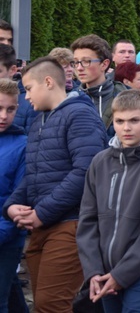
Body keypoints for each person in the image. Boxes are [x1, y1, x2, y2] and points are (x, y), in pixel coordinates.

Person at [4, 57, 106, 312]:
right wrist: (12, 205)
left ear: (48, 82)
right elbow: (36, 173)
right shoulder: (41, 119)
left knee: (51, 305)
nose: (25, 97)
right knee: (45, 304)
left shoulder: (80, 115)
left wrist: (42, 212)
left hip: (71, 224)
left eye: (28, 88)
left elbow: (86, 172)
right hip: (45, 225)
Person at [77, 90, 140, 313]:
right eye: (120, 121)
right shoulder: (100, 162)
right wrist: (93, 270)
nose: (126, 127)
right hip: (105, 270)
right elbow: (87, 220)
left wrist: (122, 274)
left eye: (134, 120)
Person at [0, 78, 27, 313]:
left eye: (10, 109)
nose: (3, 116)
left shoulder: (22, 144)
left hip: (7, 237)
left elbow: (20, 196)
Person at [71, 34, 118, 135]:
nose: (79, 68)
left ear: (104, 64)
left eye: (86, 61)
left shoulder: (124, 97)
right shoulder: (69, 99)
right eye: (75, 62)